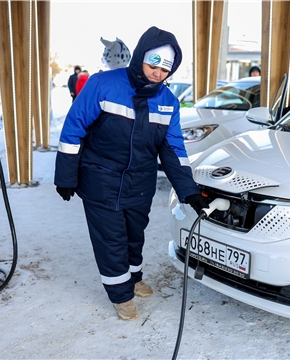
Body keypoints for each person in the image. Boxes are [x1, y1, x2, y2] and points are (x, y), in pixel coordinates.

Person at [54, 26, 211, 321]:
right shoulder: (103, 84)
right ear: (140, 57)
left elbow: (173, 149)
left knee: (134, 235)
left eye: (166, 68)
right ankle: (121, 294)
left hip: (140, 182)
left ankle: (132, 277)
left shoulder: (168, 102)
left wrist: (190, 191)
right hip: (101, 178)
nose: (158, 72)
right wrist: (66, 176)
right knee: (111, 239)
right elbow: (73, 129)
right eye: (153, 63)